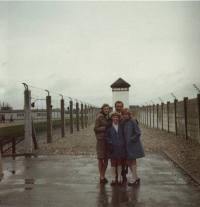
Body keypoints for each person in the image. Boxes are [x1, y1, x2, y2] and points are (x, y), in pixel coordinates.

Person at [122, 108, 145, 186]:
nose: (124, 116)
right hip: (127, 145)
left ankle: (133, 178)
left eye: (126, 114)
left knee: (133, 160)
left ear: (129, 114)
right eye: (123, 114)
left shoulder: (133, 121)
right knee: (128, 161)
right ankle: (136, 177)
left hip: (133, 144)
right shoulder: (125, 122)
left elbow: (138, 133)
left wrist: (131, 140)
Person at [104, 111, 125, 186]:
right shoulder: (109, 127)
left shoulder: (121, 127)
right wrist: (110, 141)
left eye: (117, 117)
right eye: (114, 117)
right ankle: (113, 178)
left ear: (119, 118)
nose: (115, 118)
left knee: (119, 161)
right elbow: (106, 136)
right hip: (112, 147)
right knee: (113, 162)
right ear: (112, 118)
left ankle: (119, 177)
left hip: (120, 147)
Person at [94, 103, 112, 184]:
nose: (106, 110)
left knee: (106, 159)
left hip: (108, 140)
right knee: (101, 158)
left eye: (107, 109)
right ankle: (101, 176)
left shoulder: (109, 117)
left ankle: (103, 175)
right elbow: (95, 129)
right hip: (101, 140)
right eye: (105, 109)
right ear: (102, 109)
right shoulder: (99, 117)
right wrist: (105, 128)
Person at [114, 101, 128, 182]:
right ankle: (117, 174)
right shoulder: (112, 115)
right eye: (117, 106)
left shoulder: (125, 115)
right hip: (115, 141)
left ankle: (124, 174)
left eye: (120, 106)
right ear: (115, 106)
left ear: (122, 106)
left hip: (124, 140)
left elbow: (131, 120)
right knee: (115, 158)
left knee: (124, 158)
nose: (119, 107)